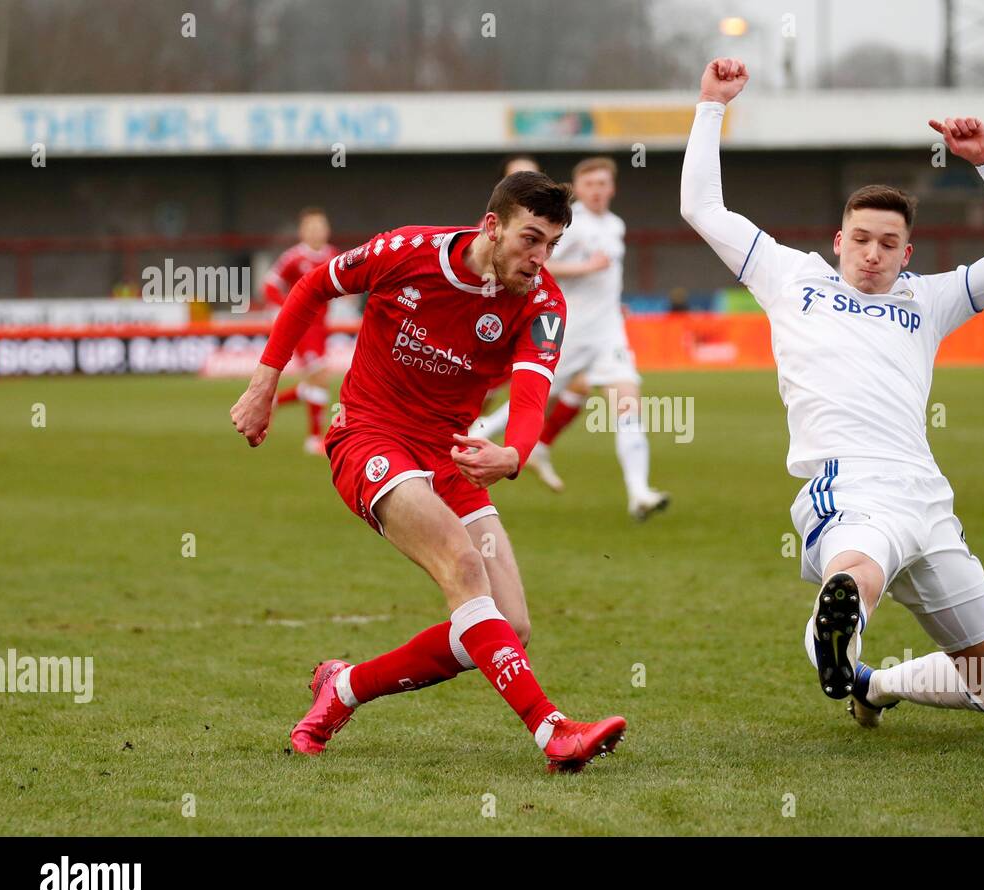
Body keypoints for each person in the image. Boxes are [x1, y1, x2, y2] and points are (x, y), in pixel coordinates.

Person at [681, 58, 984, 727]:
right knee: (857, 572)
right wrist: (712, 104)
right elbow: (702, 207)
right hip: (850, 488)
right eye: (860, 239)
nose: (872, 253)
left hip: (929, 503)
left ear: (907, 252)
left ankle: (871, 682)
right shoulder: (791, 278)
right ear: (838, 240)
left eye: (888, 242)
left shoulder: (930, 300)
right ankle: (837, 626)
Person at [230, 172, 626, 772]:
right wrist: (265, 384)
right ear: (492, 226)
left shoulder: (542, 303)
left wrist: (514, 454)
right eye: (531, 240)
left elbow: (528, 399)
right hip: (369, 437)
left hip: (448, 459)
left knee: (509, 627)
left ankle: (345, 689)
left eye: (552, 245)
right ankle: (552, 730)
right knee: (462, 567)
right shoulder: (406, 252)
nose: (541, 259)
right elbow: (313, 287)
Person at [472, 157, 669, 520]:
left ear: (612, 188)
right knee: (526, 401)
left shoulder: (615, 224)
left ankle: (639, 492)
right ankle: (465, 440)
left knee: (628, 402)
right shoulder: (570, 226)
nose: (597, 190)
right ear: (578, 189)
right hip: (571, 332)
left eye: (603, 184)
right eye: (590, 184)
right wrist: (586, 267)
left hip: (609, 333)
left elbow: (608, 277)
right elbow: (540, 264)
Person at [262, 207, 339, 454]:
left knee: (317, 381)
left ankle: (275, 401)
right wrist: (287, 309)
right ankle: (314, 438)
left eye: (321, 226)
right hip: (303, 327)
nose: (317, 231)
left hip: (321, 327)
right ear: (302, 231)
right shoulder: (294, 257)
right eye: (312, 227)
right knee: (322, 376)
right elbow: (270, 283)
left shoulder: (333, 255)